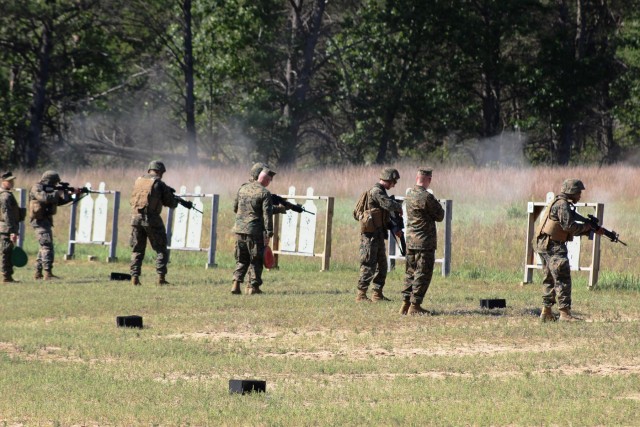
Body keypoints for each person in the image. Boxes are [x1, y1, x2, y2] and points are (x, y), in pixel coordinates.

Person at [534, 179, 604, 322]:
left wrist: (588, 229)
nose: (580, 196)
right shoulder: (563, 205)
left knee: (549, 278)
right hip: (553, 245)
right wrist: (587, 228)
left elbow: (567, 226)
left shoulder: (558, 202)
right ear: (571, 192)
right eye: (578, 192)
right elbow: (569, 227)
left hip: (544, 244)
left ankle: (546, 312)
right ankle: (565, 314)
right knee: (562, 277)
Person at [231, 165, 288, 295]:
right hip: (254, 231)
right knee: (256, 259)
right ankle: (253, 287)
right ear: (267, 180)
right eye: (270, 180)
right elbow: (267, 214)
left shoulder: (242, 188)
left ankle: (236, 284)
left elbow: (235, 208)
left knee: (241, 259)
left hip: (239, 230)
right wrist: (269, 232)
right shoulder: (264, 193)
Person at [400, 168, 445, 315]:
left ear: (417, 177)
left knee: (410, 272)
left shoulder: (409, 194)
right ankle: (415, 305)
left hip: (410, 240)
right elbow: (440, 215)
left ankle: (405, 304)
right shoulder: (427, 197)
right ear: (428, 179)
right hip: (424, 242)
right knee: (423, 273)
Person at [356, 167, 404, 302]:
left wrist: (394, 228)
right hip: (370, 236)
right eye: (393, 182)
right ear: (388, 179)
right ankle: (361, 294)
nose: (394, 185)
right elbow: (388, 204)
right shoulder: (376, 192)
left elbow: (382, 218)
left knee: (382, 265)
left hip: (378, 234)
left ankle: (377, 293)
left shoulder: (382, 192)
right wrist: (399, 206)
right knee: (368, 264)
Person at [129, 160, 178, 286]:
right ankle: (161, 278)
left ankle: (135, 278)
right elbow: (170, 203)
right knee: (161, 248)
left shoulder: (138, 181)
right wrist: (173, 198)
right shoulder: (159, 184)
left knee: (137, 249)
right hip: (151, 219)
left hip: (135, 218)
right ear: (160, 171)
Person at [29, 170, 80, 280]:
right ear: (49, 181)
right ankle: (48, 274)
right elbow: (44, 198)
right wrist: (58, 192)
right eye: (54, 183)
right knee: (47, 246)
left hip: (46, 221)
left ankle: (38, 272)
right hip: (39, 221)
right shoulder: (36, 188)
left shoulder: (52, 190)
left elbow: (59, 202)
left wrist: (74, 195)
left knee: (43, 247)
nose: (55, 185)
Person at [0, 172, 25, 283]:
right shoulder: (5, 196)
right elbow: (7, 214)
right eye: (9, 181)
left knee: (7, 251)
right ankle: (6, 277)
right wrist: (12, 231)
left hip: (5, 228)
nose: (12, 183)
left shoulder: (6, 194)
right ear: (3, 181)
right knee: (6, 252)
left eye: (12, 181)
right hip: (6, 228)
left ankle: (8, 276)